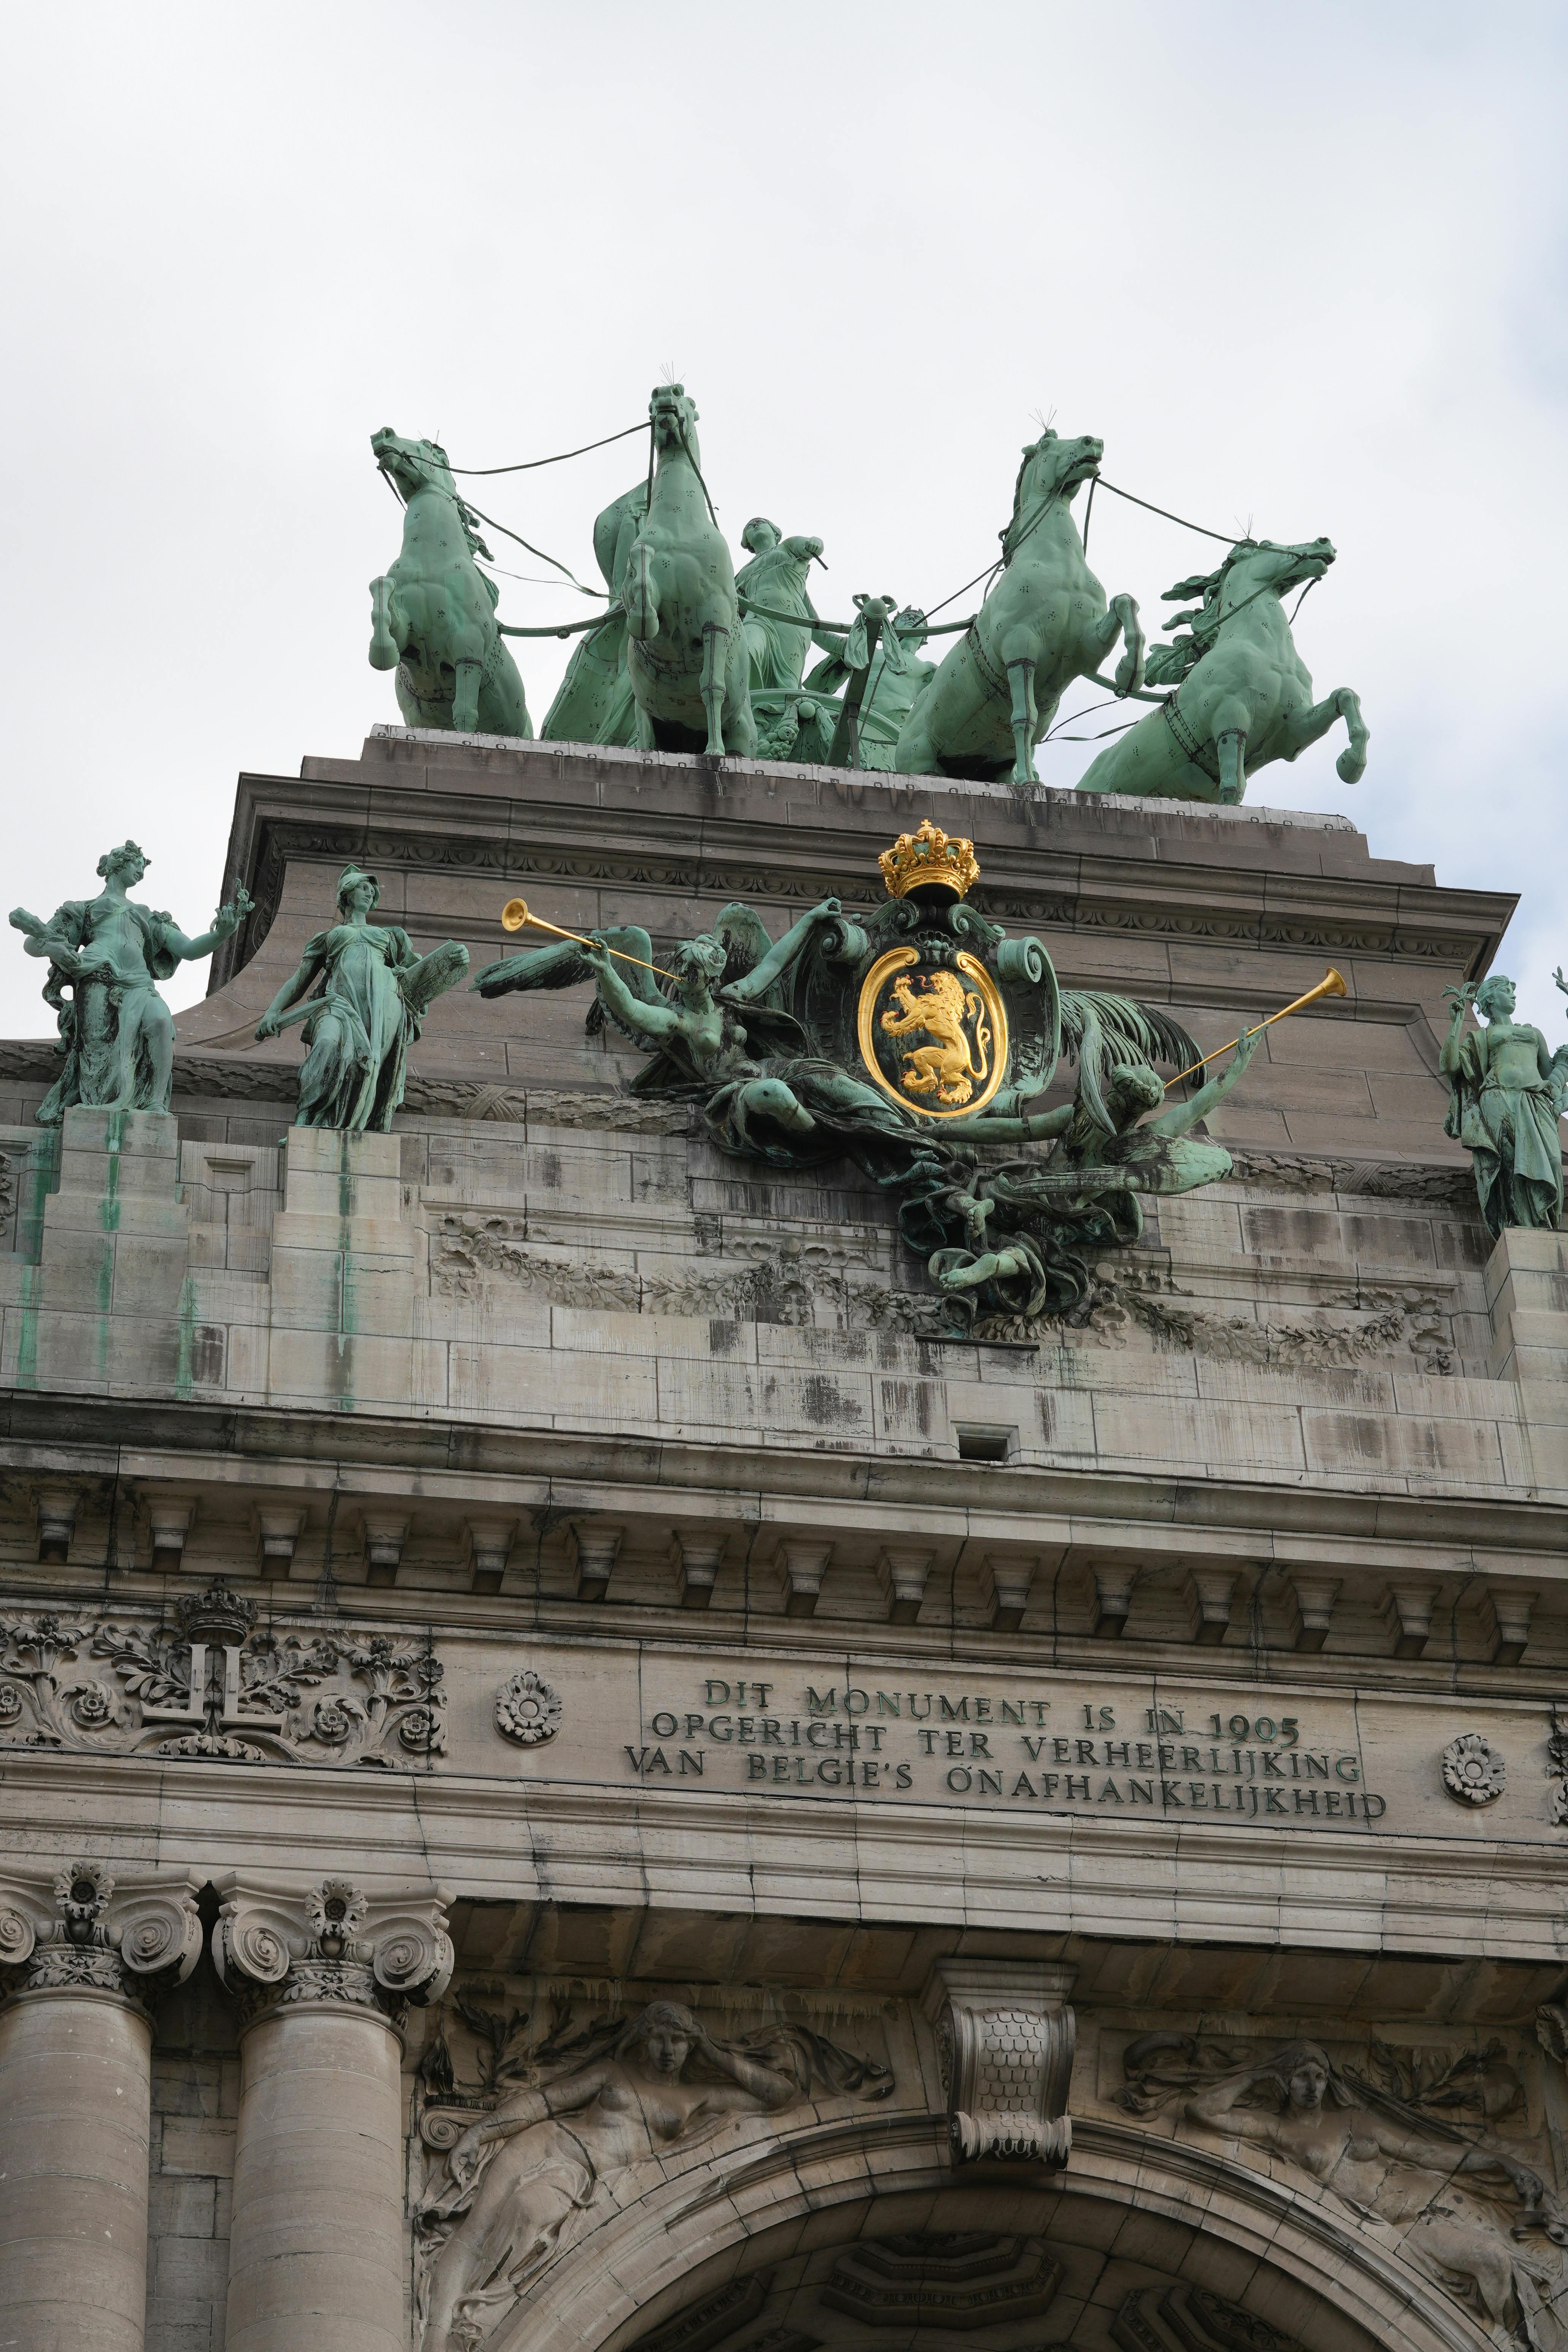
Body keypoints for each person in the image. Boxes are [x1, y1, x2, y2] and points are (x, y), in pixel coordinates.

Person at [416, 2001, 800, 2350]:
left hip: (585, 2180)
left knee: (527, 2211)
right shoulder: (612, 2071)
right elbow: (544, 2102)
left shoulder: (697, 2096)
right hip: (549, 2143)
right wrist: (479, 2133)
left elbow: (779, 2095)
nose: (668, 2051)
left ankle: (473, 2317)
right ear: (645, 2039)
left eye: (680, 2042)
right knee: (474, 2232)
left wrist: (715, 2053)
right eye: (660, 2039)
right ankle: (434, 2336)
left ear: (692, 2046)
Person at [1183, 2041, 1563, 2348]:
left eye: (1320, 2076)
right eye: (1301, 2077)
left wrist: (1502, 2163)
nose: (1314, 2087)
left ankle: (1515, 2342)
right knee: (1490, 2260)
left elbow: (1428, 2153)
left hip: (1427, 2211)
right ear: (1283, 2080)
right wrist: (1255, 2076)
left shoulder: (1354, 2120)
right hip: (1391, 2233)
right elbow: (1202, 2111)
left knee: (1495, 2260)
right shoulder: (1277, 2130)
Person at [10, 841, 253, 1122]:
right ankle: (97, 1112)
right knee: (97, 1053)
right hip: (97, 978)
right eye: (137, 864)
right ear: (117, 865)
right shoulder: (82, 908)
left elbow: (188, 950)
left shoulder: (147, 915)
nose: (141, 871)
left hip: (139, 984)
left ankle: (155, 1104)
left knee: (162, 1023)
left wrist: (222, 934)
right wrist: (54, 948)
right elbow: (32, 943)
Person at [254, 865, 468, 1131]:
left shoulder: (389, 936)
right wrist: (273, 1011)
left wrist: (456, 958)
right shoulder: (329, 937)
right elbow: (298, 981)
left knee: (370, 1066)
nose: (369, 893)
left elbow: (421, 974)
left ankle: (359, 1124)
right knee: (327, 1045)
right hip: (338, 1004)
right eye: (363, 888)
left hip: (381, 1009)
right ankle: (307, 1117)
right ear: (347, 895)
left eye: (372, 890)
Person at [1441, 974, 1567, 1236]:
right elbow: (1451, 1066)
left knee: (1553, 1160)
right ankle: (1522, 1227)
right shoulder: (1482, 1036)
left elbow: (1550, 1075)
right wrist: (1456, 1023)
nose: (1513, 995)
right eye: (1506, 990)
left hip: (1535, 1099)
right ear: (1490, 998)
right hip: (1497, 1097)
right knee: (1510, 1163)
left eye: (1513, 990)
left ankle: (1546, 1221)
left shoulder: (1533, 1033)